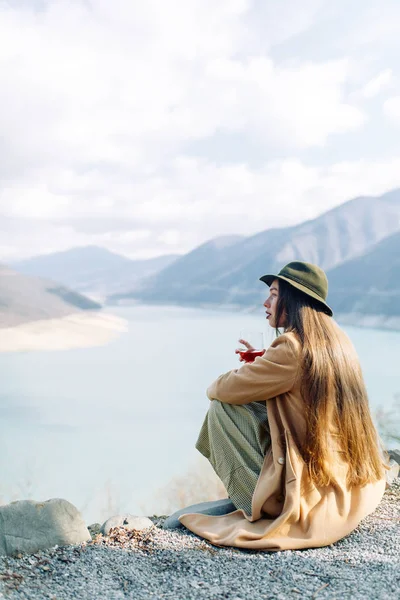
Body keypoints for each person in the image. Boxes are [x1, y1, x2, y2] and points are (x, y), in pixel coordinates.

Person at [178, 261, 388, 550]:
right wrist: (264, 361)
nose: (266, 302)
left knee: (222, 410)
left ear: (293, 300)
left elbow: (220, 390)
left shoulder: (290, 347)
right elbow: (301, 379)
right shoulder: (336, 342)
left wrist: (258, 368)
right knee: (261, 408)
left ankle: (258, 503)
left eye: (274, 295)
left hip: (309, 496)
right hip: (348, 482)